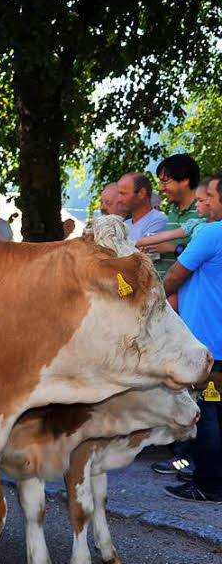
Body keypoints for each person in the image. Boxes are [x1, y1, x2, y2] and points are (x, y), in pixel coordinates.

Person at [161, 173, 222, 502]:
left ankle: (209, 484)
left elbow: (174, 275)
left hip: (206, 345)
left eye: (208, 197)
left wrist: (150, 303)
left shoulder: (211, 234)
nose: (202, 203)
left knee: (206, 411)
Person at [142, 153, 201, 279]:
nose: (161, 188)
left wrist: (172, 248)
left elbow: (207, 259)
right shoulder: (173, 209)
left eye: (165, 181)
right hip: (164, 293)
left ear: (185, 180)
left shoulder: (204, 211)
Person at [116, 172, 167, 242]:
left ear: (141, 193)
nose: (119, 199)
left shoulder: (158, 220)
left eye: (123, 194)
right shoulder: (125, 224)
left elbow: (144, 251)